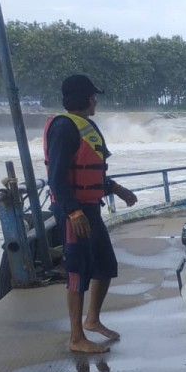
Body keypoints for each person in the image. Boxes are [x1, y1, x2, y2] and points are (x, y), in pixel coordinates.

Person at [43, 74, 138, 354]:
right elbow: (57, 177)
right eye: (93, 95)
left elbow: (91, 172)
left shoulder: (85, 125)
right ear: (84, 97)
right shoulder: (63, 127)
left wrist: (118, 189)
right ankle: (76, 337)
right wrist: (73, 212)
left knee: (106, 265)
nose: (96, 99)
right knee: (77, 271)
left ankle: (93, 320)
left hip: (90, 208)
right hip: (75, 211)